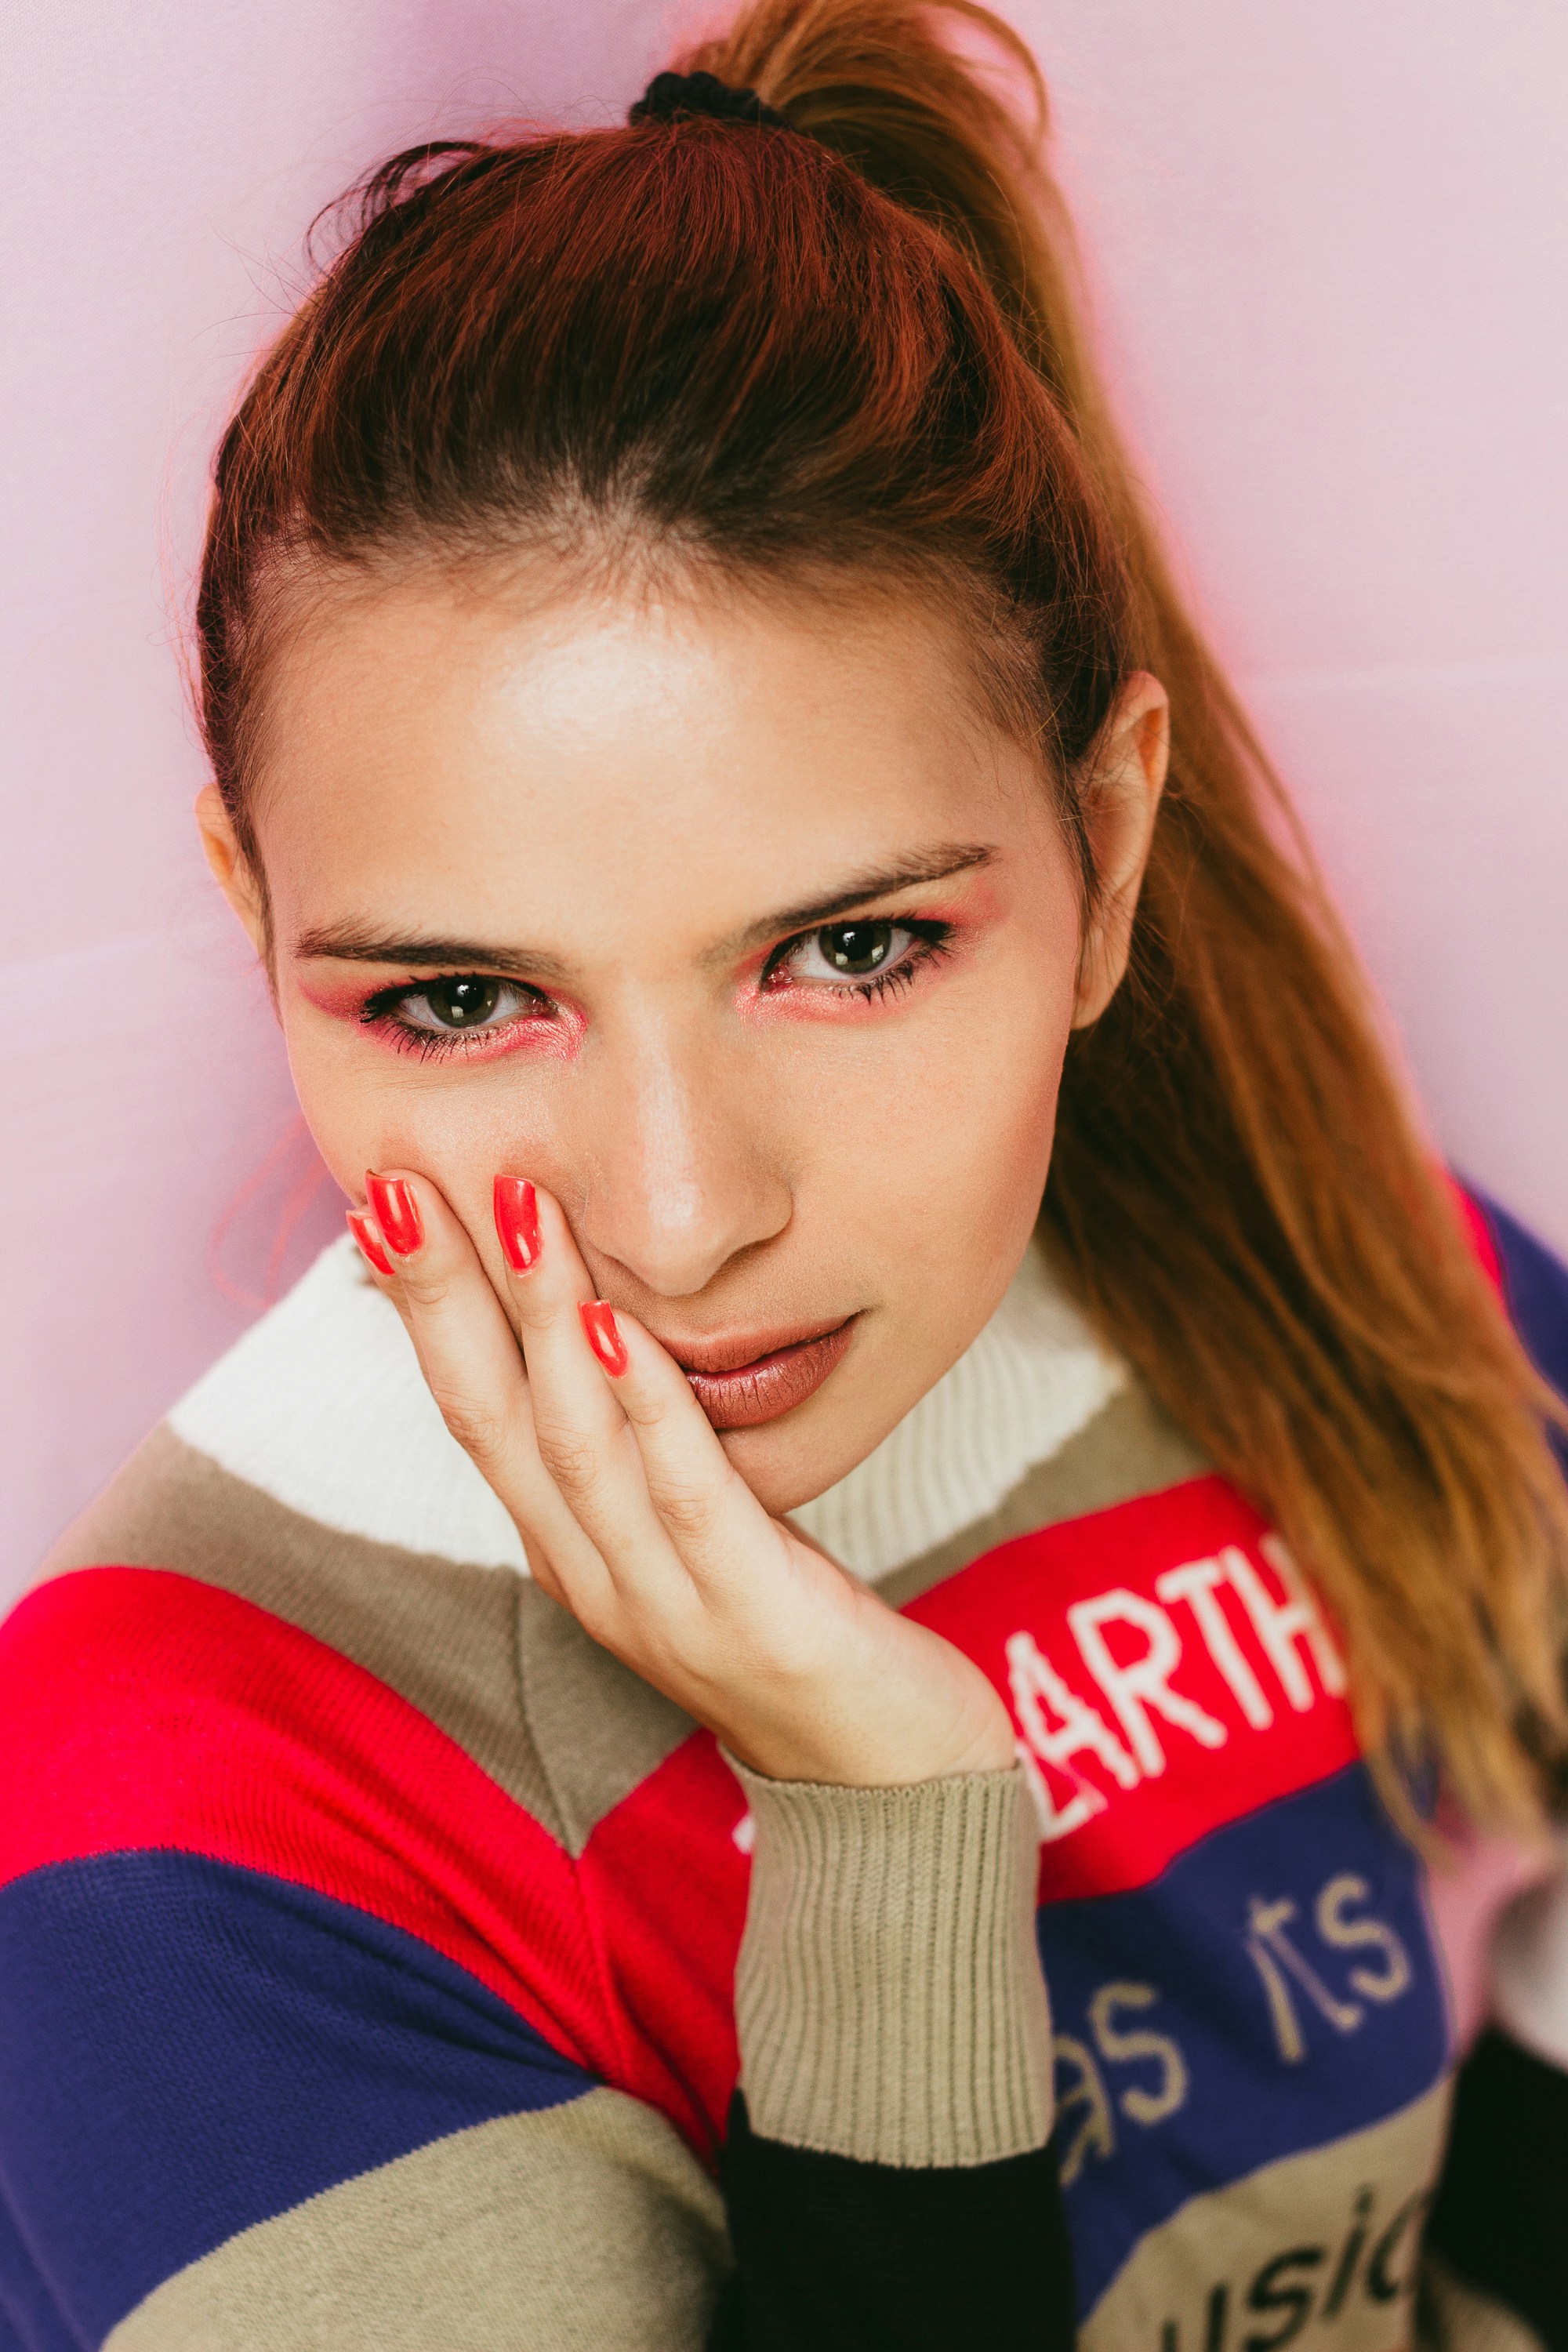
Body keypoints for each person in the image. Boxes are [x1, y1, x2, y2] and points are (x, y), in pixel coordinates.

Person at [2, 3, 1566, 2345]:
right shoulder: (169, 1829)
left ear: (1107, 854)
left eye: (852, 950)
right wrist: (888, 1813)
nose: (675, 1208)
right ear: (256, 918)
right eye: (453, 997)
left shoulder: (1329, 1262)